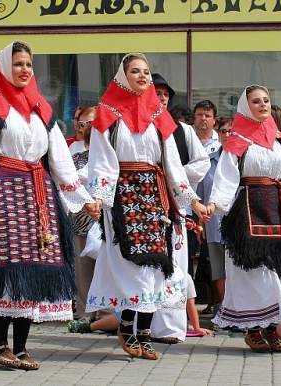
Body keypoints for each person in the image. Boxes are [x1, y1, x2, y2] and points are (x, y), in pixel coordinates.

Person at [0, 41, 97, 370]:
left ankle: (20, 347)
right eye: (18, 64)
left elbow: (61, 160)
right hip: (5, 189)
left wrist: (84, 199)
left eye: (29, 65)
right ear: (5, 67)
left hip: (39, 191)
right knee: (11, 265)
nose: (25, 70)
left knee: (36, 264)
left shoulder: (41, 109)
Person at [85, 53, 207, 360]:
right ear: (123, 76)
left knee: (157, 265)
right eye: (135, 71)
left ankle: (144, 333)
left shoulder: (157, 114)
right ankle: (127, 326)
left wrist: (190, 199)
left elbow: (172, 163)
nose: (143, 76)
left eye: (146, 72)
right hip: (123, 194)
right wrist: (99, 196)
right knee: (131, 265)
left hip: (154, 195)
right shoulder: (108, 113)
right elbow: (101, 160)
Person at [207, 85, 281, 352]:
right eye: (256, 101)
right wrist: (215, 204)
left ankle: (272, 328)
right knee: (253, 272)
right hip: (246, 211)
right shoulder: (237, 141)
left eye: (266, 101)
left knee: (279, 271)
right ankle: (253, 329)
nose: (262, 105)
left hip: (278, 210)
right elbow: (226, 177)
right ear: (244, 106)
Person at [150, 73, 209, 344]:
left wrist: (176, 178)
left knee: (176, 265)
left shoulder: (183, 130)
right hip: (145, 203)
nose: (161, 97)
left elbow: (202, 162)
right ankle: (140, 323)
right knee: (147, 265)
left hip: (176, 205)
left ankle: (171, 327)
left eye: (165, 94)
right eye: (157, 92)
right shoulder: (135, 125)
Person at [198, 116, 231, 317]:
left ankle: (240, 311)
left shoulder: (244, 159)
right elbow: (200, 195)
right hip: (213, 224)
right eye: (224, 131)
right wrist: (200, 223)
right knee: (219, 271)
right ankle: (225, 310)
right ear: (218, 134)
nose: (227, 135)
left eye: (231, 131)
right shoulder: (208, 162)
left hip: (239, 226)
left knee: (239, 270)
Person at [69, 106, 98, 322]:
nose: (85, 127)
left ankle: (106, 313)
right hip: (79, 213)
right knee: (82, 268)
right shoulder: (73, 147)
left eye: (89, 123)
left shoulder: (106, 147)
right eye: (81, 123)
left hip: (100, 212)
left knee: (103, 265)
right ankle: (84, 312)